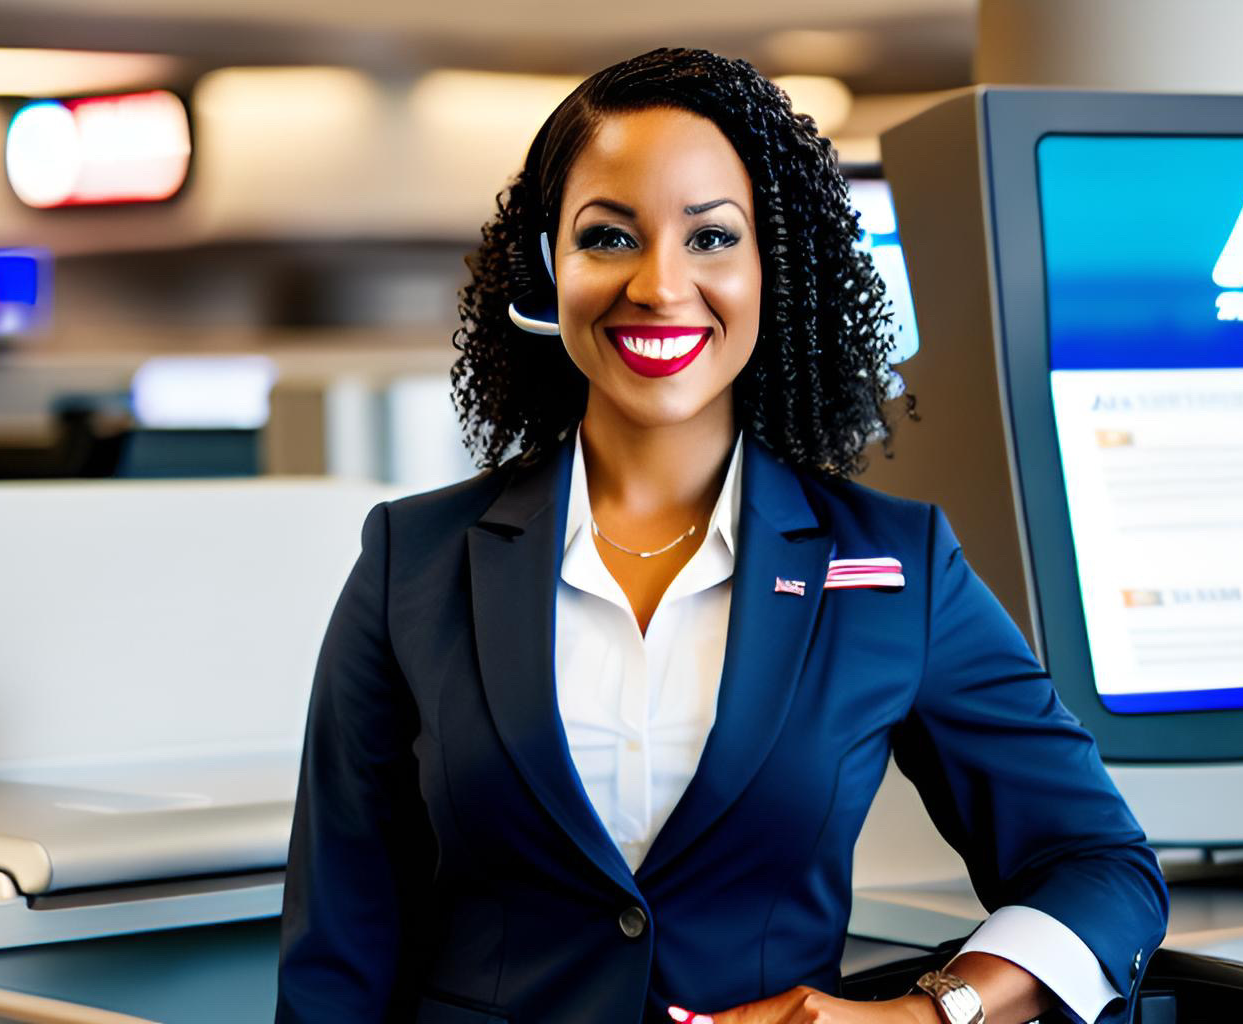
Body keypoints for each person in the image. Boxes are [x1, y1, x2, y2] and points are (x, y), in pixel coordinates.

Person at [277, 48, 1167, 1024]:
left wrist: (923, 1014)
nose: (659, 285)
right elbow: (338, 958)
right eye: (608, 236)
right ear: (547, 265)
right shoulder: (415, 561)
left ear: (772, 269)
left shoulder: (892, 565)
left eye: (711, 239)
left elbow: (1102, 866)